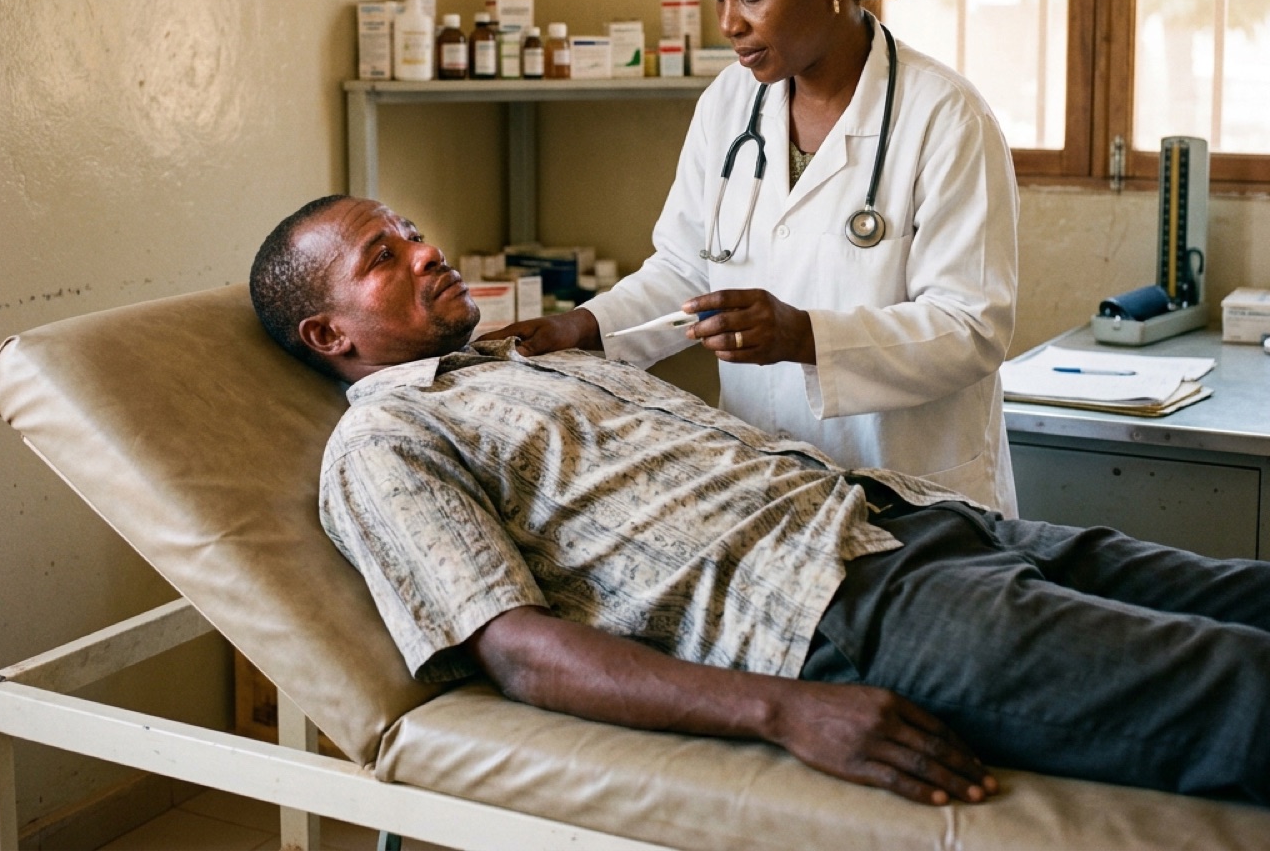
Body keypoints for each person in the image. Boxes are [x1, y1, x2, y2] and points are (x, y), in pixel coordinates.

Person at [249, 194, 1270, 810]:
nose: (426, 250)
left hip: (919, 521)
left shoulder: (525, 362)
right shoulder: (383, 440)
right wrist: (784, 709)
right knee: (1242, 687)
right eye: (382, 256)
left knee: (1247, 594)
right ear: (330, 336)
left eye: (411, 230)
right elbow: (520, 650)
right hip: (843, 612)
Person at [499, 0, 1021, 514]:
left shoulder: (945, 117)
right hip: (767, 491)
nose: (729, 25)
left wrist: (804, 336)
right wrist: (584, 327)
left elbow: (971, 329)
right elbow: (689, 270)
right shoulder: (729, 102)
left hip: (915, 496)